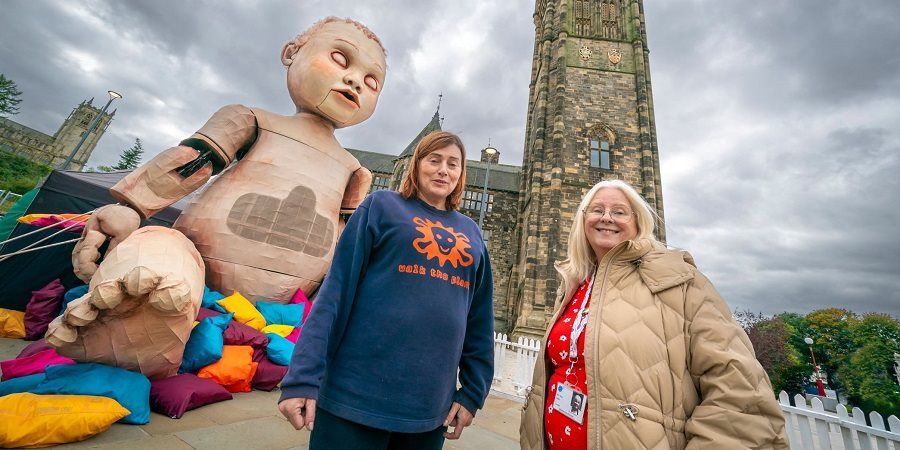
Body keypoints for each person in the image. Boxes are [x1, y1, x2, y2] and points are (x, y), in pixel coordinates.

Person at [519, 180, 788, 450]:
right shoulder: (574, 284)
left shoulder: (680, 281)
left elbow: (741, 394)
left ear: (639, 222)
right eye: (596, 209)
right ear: (583, 219)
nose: (606, 217)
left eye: (620, 211)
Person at [279, 131, 495, 450]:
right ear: (415, 165)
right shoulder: (381, 206)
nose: (443, 170)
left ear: (462, 173)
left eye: (453, 164)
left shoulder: (472, 232)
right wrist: (302, 378)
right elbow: (335, 294)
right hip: (353, 398)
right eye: (434, 160)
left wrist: (473, 392)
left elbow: (479, 320)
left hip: (429, 410)